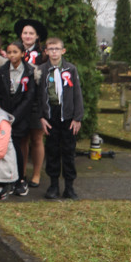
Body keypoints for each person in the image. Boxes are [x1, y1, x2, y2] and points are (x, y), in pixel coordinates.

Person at [36, 37, 84, 200]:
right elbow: (38, 97)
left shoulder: (71, 69)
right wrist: (42, 117)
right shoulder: (41, 70)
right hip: (51, 115)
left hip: (68, 115)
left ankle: (69, 186)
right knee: (53, 150)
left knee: (68, 151)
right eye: (51, 49)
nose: (54, 52)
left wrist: (77, 117)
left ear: (63, 51)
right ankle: (53, 185)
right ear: (46, 51)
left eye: (57, 49)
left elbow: (77, 94)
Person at [0, 41, 37, 196]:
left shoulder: (29, 71)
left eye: (15, 52)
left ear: (22, 53)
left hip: (20, 117)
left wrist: (15, 116)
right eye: (9, 52)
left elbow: (29, 97)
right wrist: (3, 115)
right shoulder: (2, 70)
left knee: (17, 146)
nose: (12, 55)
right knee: (2, 146)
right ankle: (4, 179)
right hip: (3, 115)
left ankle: (19, 179)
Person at [14, 18, 47, 186]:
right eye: (25, 33)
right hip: (20, 101)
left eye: (31, 33)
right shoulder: (14, 52)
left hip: (36, 102)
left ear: (37, 37)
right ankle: (22, 173)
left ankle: (36, 174)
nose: (27, 36)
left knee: (36, 138)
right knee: (22, 139)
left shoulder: (43, 56)